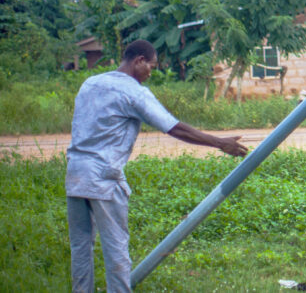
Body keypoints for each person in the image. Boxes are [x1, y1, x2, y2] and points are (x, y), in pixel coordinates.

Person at [66, 39, 248, 293]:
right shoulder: (133, 91)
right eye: (151, 66)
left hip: (75, 173)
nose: (151, 73)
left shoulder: (91, 83)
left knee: (80, 248)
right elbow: (174, 127)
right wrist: (220, 143)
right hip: (104, 178)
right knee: (116, 250)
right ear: (139, 60)